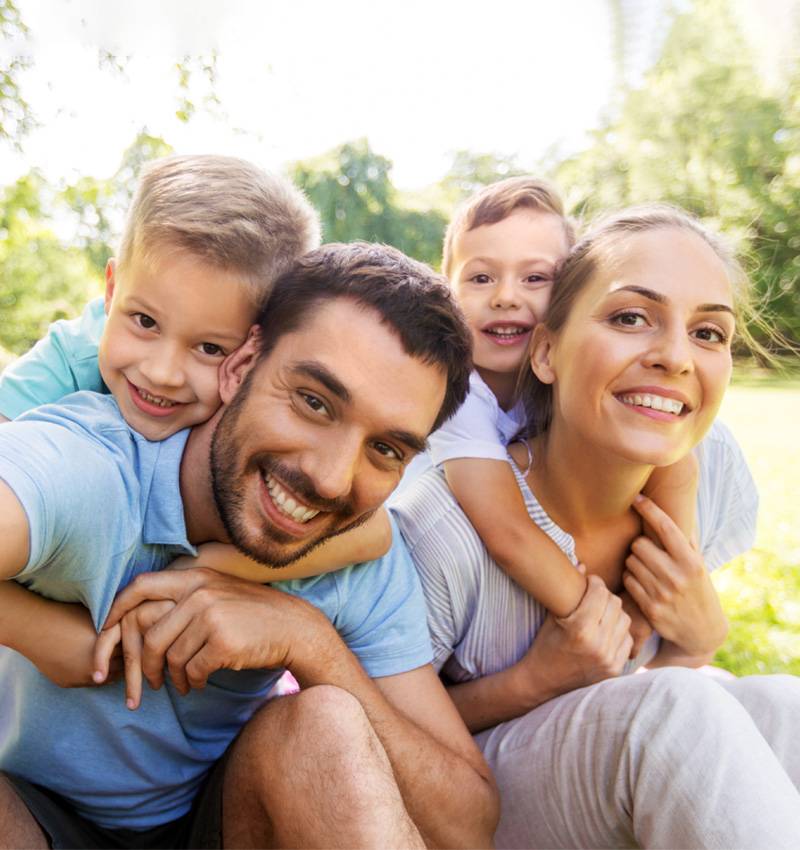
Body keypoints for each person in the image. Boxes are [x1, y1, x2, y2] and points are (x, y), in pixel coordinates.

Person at [0, 243, 499, 849]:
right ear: (241, 366)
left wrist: (309, 643)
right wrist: (43, 633)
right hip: (29, 811)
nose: (334, 479)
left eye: (386, 450)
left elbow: (468, 826)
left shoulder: (355, 557)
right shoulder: (92, 469)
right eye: (314, 402)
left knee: (328, 724)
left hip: (218, 818)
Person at [393, 205, 800, 848]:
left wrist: (698, 639)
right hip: (464, 787)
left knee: (786, 707)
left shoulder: (706, 463)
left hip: (602, 750)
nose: (675, 357)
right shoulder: (444, 521)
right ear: (547, 351)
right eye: (630, 317)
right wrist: (540, 679)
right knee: (675, 712)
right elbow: (385, 727)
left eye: (709, 333)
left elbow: (656, 670)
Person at [397, 178, 696, 658]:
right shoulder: (456, 391)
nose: (505, 297)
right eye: (480, 278)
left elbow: (675, 462)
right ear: (445, 292)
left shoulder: (572, 377)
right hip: (429, 575)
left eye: (535, 278)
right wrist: (600, 618)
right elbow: (507, 531)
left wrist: (666, 590)